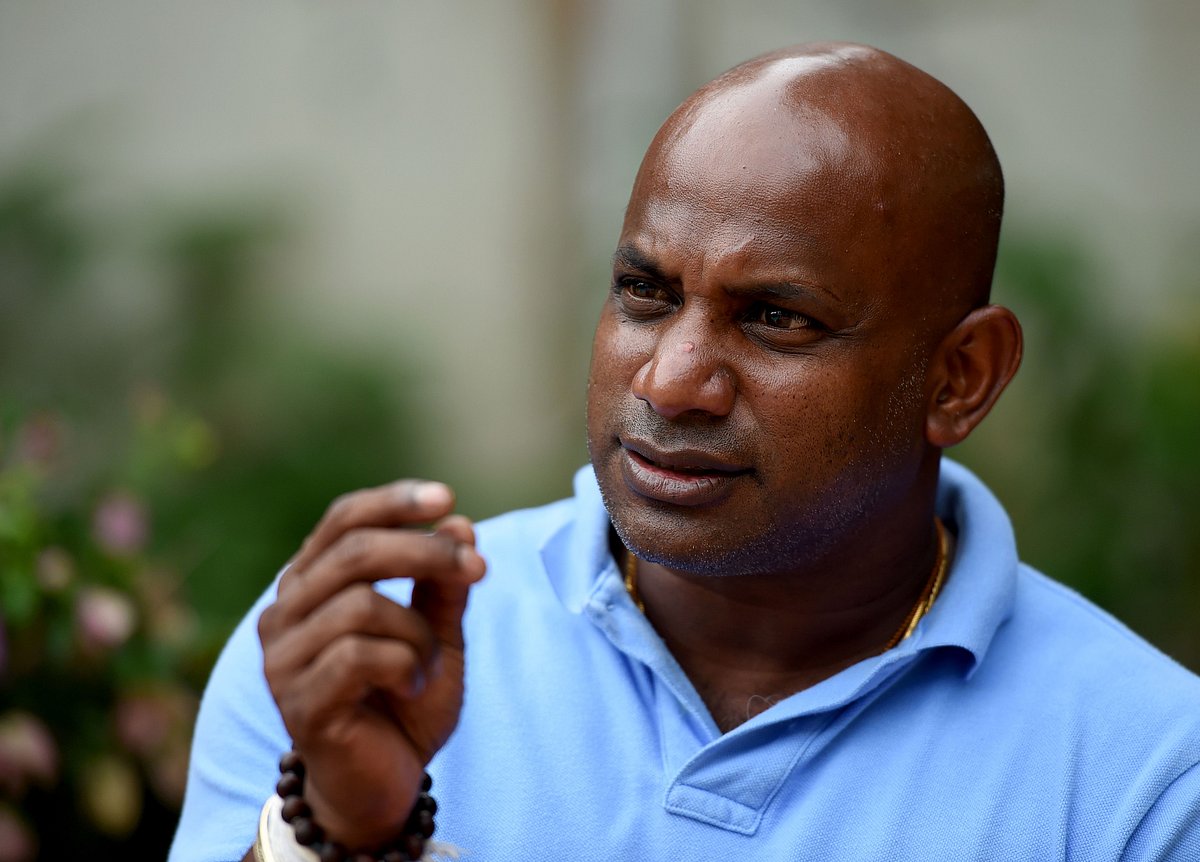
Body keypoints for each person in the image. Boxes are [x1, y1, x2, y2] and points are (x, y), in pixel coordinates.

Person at [170, 43, 1200, 862]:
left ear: (959, 377)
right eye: (646, 294)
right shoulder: (357, 663)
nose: (669, 380)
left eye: (776, 318)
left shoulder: (1147, 776)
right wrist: (344, 835)